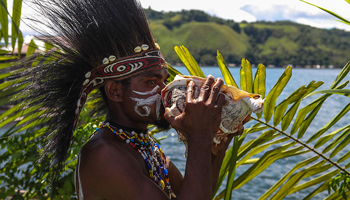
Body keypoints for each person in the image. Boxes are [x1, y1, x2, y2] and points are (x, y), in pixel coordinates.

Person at [21, 0, 246, 199]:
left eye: (164, 81)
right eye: (151, 82)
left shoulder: (142, 146)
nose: (164, 90)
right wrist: (199, 138)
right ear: (115, 92)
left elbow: (197, 192)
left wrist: (214, 148)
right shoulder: (104, 154)